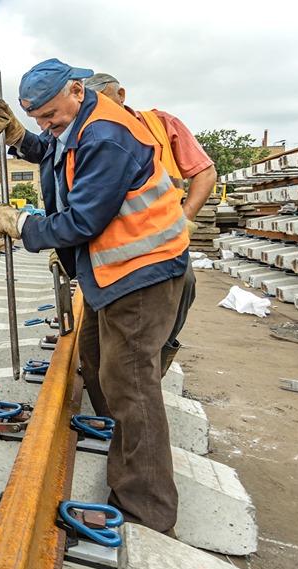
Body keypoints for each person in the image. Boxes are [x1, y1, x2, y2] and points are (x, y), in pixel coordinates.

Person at [0, 59, 188, 535]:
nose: (46, 125)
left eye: (49, 115)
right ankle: (116, 438)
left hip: (142, 272)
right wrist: (19, 137)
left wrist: (25, 225)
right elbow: (56, 150)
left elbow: (82, 222)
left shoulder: (105, 136)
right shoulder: (80, 121)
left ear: (76, 91)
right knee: (96, 358)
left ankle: (146, 511)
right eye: (37, 119)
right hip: (112, 270)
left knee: (131, 382)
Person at [84, 72, 216, 374]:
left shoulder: (160, 124)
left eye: (104, 102)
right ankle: (108, 376)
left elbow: (204, 173)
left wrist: (186, 219)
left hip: (162, 239)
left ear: (122, 95)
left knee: (184, 285)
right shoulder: (91, 133)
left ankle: (155, 363)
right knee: (100, 313)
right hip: (111, 242)